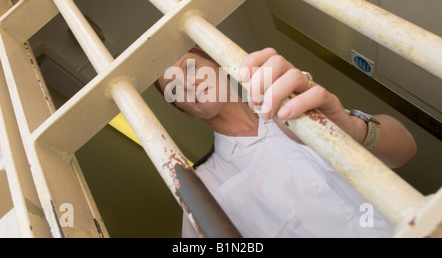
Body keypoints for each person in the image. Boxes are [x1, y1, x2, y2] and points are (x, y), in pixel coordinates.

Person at [156, 46, 417, 238]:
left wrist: (350, 129)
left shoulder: (298, 105)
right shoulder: (201, 189)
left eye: (190, 67)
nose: (188, 84)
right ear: (185, 111)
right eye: (175, 89)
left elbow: (407, 150)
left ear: (219, 65)